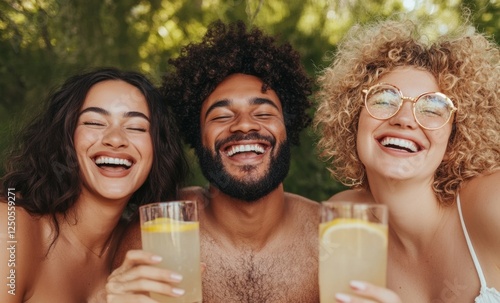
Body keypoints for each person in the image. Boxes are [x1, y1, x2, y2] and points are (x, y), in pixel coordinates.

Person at [106, 20, 320, 303]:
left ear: (287, 130)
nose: (244, 125)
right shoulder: (159, 231)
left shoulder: (329, 238)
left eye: (264, 113)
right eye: (221, 116)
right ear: (198, 138)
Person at [314, 16, 500, 303]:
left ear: (454, 139)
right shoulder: (348, 218)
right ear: (353, 120)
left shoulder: (491, 204)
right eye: (384, 100)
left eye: (433, 107)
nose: (403, 120)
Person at [0, 67, 188, 303]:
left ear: (158, 150)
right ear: (64, 137)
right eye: (95, 122)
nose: (116, 139)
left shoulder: (138, 245)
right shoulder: (10, 228)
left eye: (136, 127)